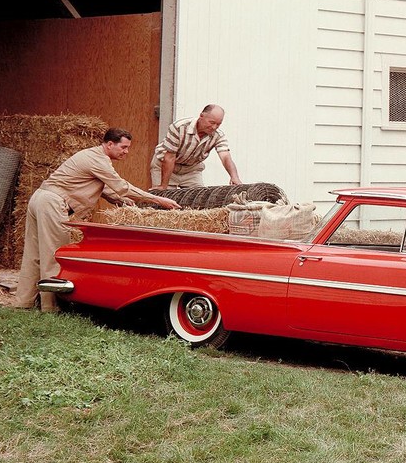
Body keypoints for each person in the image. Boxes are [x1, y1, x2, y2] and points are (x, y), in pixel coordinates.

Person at [15, 128, 181, 312]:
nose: (126, 152)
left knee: (34, 255)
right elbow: (121, 186)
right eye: (123, 147)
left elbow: (103, 188)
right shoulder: (98, 159)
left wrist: (120, 201)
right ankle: (51, 307)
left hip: (40, 198)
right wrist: (158, 199)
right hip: (52, 204)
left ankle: (23, 302)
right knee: (55, 255)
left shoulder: (93, 156)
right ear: (110, 144)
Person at [149, 104, 242, 190]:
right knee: (165, 199)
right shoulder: (180, 127)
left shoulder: (218, 136)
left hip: (191, 170)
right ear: (201, 116)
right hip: (165, 166)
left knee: (199, 199)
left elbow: (225, 157)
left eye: (218, 124)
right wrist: (163, 186)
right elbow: (169, 157)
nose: (214, 127)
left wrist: (234, 177)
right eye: (212, 122)